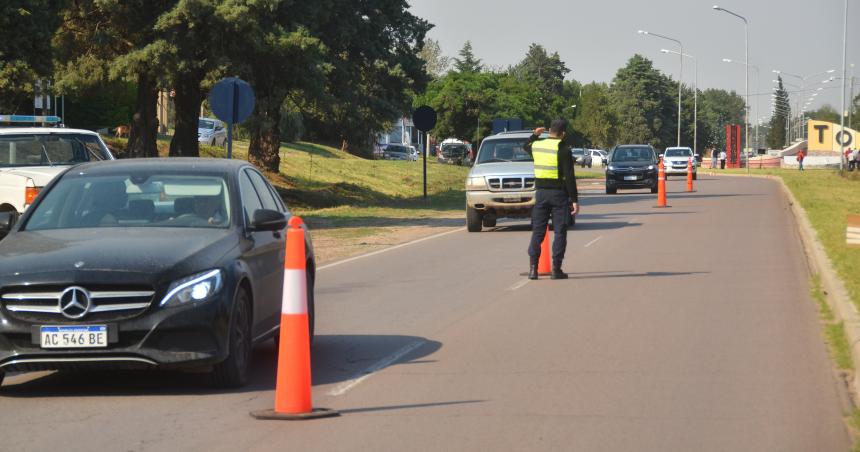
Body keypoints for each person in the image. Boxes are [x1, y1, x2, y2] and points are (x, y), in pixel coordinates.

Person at [524, 119, 579, 280]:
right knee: (560, 231)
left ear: (549, 130)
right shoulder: (563, 149)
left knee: (538, 232)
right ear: (563, 134)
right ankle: (556, 269)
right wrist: (574, 200)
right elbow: (569, 177)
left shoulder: (537, 145)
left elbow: (525, 146)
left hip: (540, 194)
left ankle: (533, 269)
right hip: (558, 195)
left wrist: (534, 135)